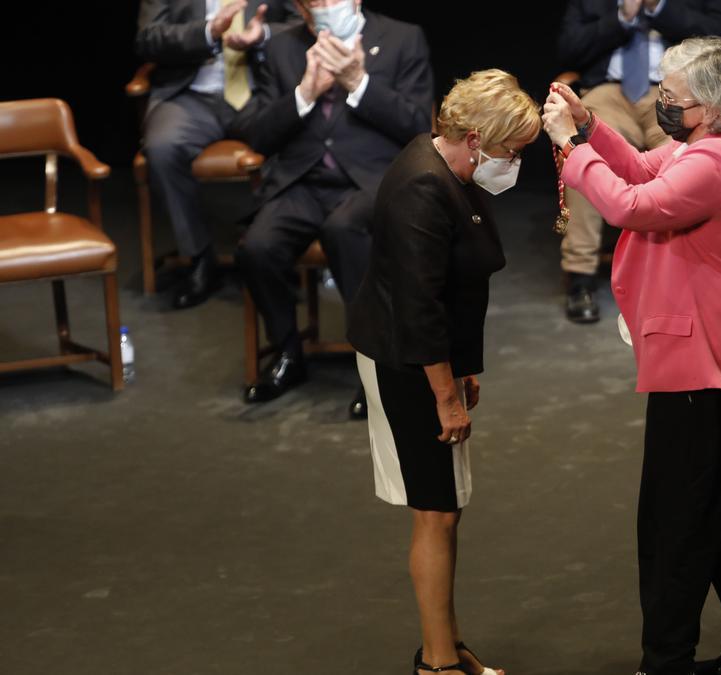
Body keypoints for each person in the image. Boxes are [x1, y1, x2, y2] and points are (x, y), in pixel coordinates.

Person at [544, 37, 721, 675]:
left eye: (670, 95)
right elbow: (645, 168)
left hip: (704, 364)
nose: (660, 103)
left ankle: (666, 662)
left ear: (705, 106)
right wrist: (593, 127)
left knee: (674, 523)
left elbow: (632, 207)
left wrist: (570, 152)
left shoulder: (714, 163)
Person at [347, 69, 541, 675]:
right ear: (478, 138)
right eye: (513, 149)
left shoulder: (453, 169)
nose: (516, 162)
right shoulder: (422, 190)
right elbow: (419, 309)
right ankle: (437, 664)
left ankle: (448, 644)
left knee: (446, 508)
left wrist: (466, 370)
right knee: (435, 511)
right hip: (406, 362)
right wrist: (446, 396)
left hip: (433, 360)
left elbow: (458, 287)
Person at [230, 0, 433, 416]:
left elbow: (416, 126)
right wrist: (305, 92)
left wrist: (358, 81)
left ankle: (373, 366)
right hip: (301, 181)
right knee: (257, 246)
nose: (323, 7)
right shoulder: (284, 48)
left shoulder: (401, 38)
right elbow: (258, 135)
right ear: (302, 11)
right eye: (312, 3)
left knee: (345, 229)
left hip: (372, 180)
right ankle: (289, 352)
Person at [556, 0, 721, 323]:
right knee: (583, 145)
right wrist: (622, 17)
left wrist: (658, 8)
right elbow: (569, 48)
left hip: (678, 98)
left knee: (683, 160)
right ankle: (580, 275)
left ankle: (673, 275)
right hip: (608, 91)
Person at [135, 0, 301, 309]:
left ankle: (274, 250)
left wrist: (263, 34)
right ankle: (199, 257)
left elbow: (304, 25)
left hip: (257, 94)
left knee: (294, 133)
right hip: (190, 95)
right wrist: (208, 32)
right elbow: (149, 38)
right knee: (162, 147)